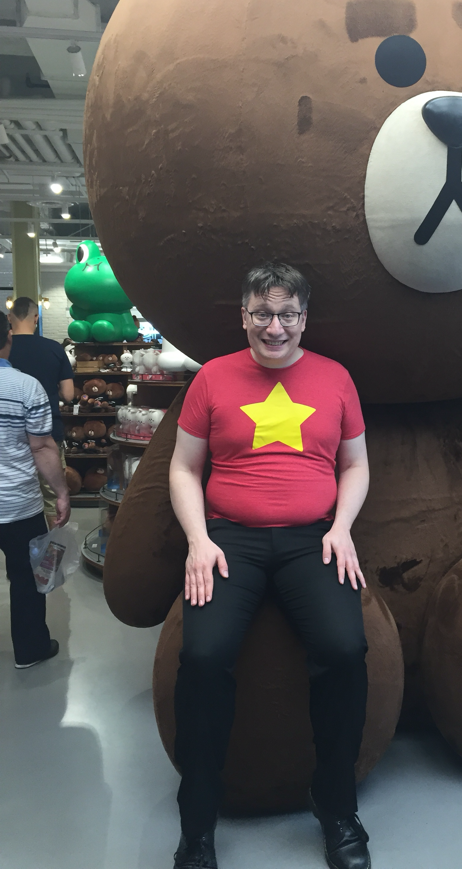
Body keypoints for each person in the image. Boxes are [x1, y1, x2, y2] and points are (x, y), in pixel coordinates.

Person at [169, 262, 371, 869]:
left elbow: (355, 465)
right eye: (262, 313)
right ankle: (197, 825)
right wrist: (198, 540)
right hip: (230, 539)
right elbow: (184, 468)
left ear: (304, 317)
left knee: (345, 650)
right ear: (244, 316)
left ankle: (337, 807)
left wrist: (342, 528)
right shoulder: (213, 377)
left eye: (286, 314)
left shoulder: (336, 378)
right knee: (202, 657)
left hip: (314, 538)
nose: (274, 327)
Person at [0, 312, 70, 668]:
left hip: (18, 503)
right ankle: (30, 650)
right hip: (18, 504)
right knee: (26, 578)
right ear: (8, 339)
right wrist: (61, 493)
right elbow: (42, 447)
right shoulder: (26, 387)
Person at [8, 297, 74, 527]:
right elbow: (68, 394)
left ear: (10, 318)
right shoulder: (54, 348)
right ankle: (53, 549)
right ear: (36, 317)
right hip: (48, 433)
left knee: (14, 496)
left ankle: (22, 545)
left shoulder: (5, 349)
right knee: (54, 499)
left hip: (10, 438)